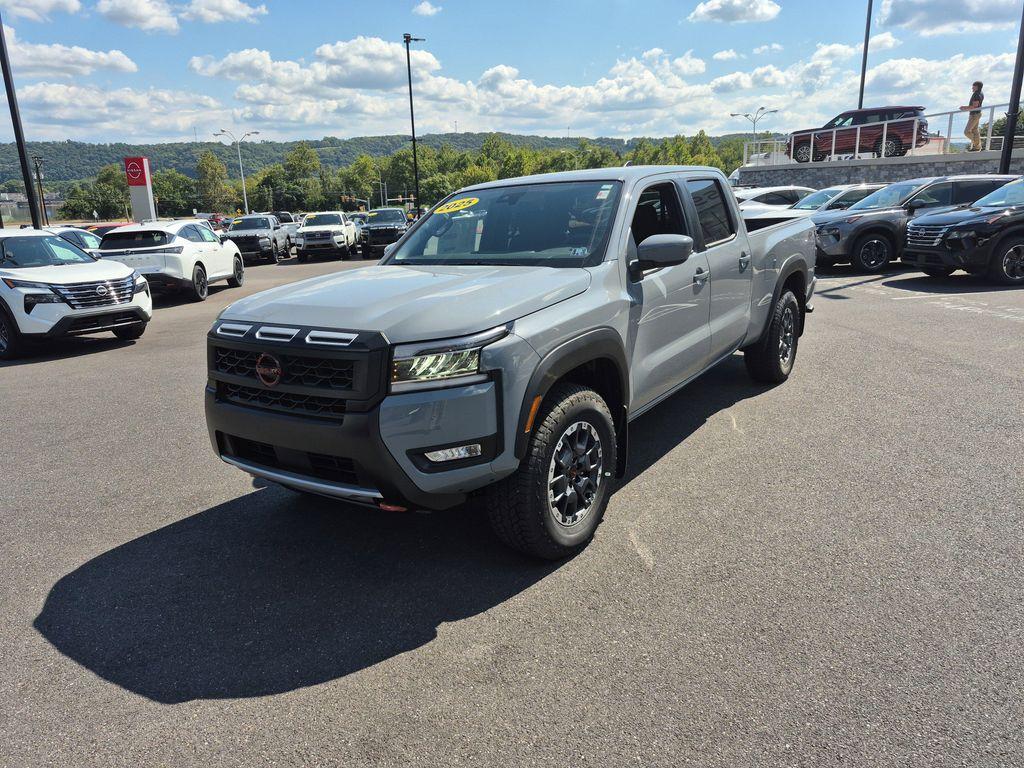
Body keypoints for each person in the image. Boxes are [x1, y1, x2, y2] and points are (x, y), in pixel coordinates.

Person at [961, 80, 984, 151]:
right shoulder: (980, 93)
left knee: (966, 132)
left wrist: (964, 107)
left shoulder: (976, 94)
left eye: (973, 87)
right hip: (977, 114)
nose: (972, 88)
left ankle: (978, 144)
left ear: (977, 87)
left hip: (974, 114)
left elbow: (975, 106)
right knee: (975, 130)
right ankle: (977, 147)